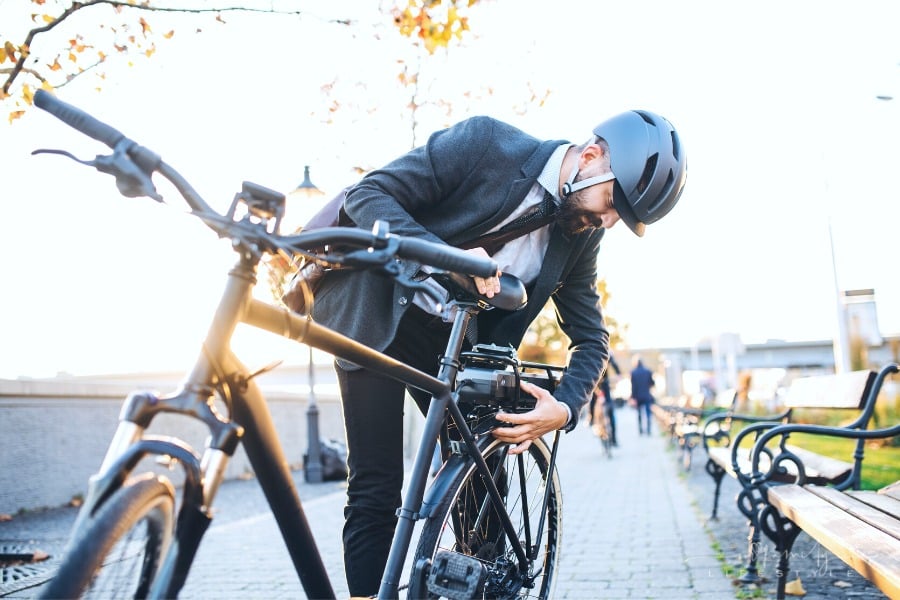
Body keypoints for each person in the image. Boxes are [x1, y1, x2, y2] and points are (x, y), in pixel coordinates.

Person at [310, 111, 687, 597]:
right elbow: (368, 196)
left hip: (459, 345)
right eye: (614, 204)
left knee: (484, 492)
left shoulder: (581, 234)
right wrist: (452, 262)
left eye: (620, 218)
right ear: (590, 158)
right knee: (374, 490)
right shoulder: (486, 144)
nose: (608, 222)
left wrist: (566, 407)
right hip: (378, 311)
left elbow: (591, 338)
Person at [590, 353, 621, 445]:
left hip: (603, 383)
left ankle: (614, 438)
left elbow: (614, 364)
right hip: (594, 382)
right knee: (592, 401)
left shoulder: (606, 352)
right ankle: (592, 420)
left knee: (609, 407)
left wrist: (619, 374)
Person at [630, 355, 656, 435]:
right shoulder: (648, 371)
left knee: (639, 413)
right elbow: (652, 383)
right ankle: (648, 430)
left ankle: (640, 430)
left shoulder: (633, 372)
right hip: (646, 395)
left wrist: (633, 397)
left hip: (638, 396)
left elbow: (633, 387)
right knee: (648, 413)